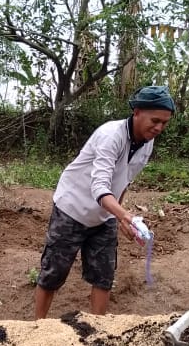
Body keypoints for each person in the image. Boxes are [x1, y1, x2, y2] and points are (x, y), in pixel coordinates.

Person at [34, 85, 174, 318]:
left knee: (104, 276)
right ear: (137, 112)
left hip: (105, 215)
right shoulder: (111, 136)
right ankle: (35, 329)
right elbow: (99, 186)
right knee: (52, 274)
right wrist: (124, 215)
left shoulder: (148, 142)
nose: (159, 127)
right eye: (155, 120)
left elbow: (124, 180)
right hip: (72, 208)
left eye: (165, 123)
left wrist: (119, 218)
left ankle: (98, 332)